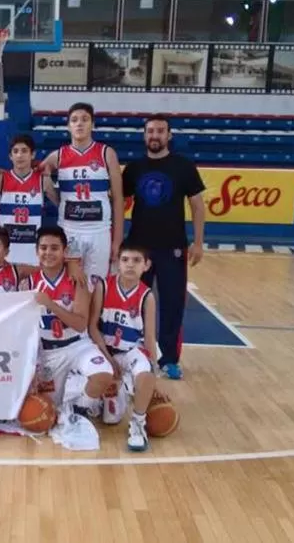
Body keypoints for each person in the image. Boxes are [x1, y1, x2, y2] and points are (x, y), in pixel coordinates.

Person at [121, 115, 207, 381]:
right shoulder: (134, 168)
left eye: (160, 131)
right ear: (144, 135)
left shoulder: (183, 166)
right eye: (150, 131)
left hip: (173, 248)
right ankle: (135, 353)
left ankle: (169, 359)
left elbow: (197, 205)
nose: (154, 135)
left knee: (172, 305)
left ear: (169, 135)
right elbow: (120, 204)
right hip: (138, 250)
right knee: (133, 303)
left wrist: (198, 242)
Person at [24, 226, 114, 418]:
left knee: (103, 373)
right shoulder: (28, 282)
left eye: (55, 248)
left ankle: (81, 409)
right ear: (36, 251)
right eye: (44, 248)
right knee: (46, 413)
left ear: (65, 252)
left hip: (77, 346)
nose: (48, 253)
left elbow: (81, 324)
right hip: (47, 353)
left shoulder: (77, 280)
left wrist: (51, 305)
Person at [38, 102, 125, 280]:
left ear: (92, 125)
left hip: (99, 231)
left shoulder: (106, 153)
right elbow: (39, 178)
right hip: (69, 230)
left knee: (97, 286)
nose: (79, 124)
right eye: (74, 120)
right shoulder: (57, 156)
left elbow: (118, 199)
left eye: (85, 119)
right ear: (68, 126)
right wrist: (58, 198)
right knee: (69, 284)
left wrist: (117, 241)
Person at [89, 241, 160, 452]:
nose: (130, 265)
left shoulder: (147, 296)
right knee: (110, 419)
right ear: (117, 263)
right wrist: (110, 362)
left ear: (146, 265)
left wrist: (155, 378)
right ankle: (110, 393)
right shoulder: (103, 285)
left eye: (136, 261)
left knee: (146, 374)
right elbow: (92, 327)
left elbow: (149, 337)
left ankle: (138, 424)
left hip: (130, 351)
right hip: (104, 350)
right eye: (125, 260)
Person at [0, 135, 57, 267]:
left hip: (31, 248)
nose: (20, 155)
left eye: (24, 151)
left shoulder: (42, 180)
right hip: (5, 248)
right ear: (10, 156)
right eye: (16, 151)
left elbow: (60, 205)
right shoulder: (1, 179)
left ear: (33, 154)